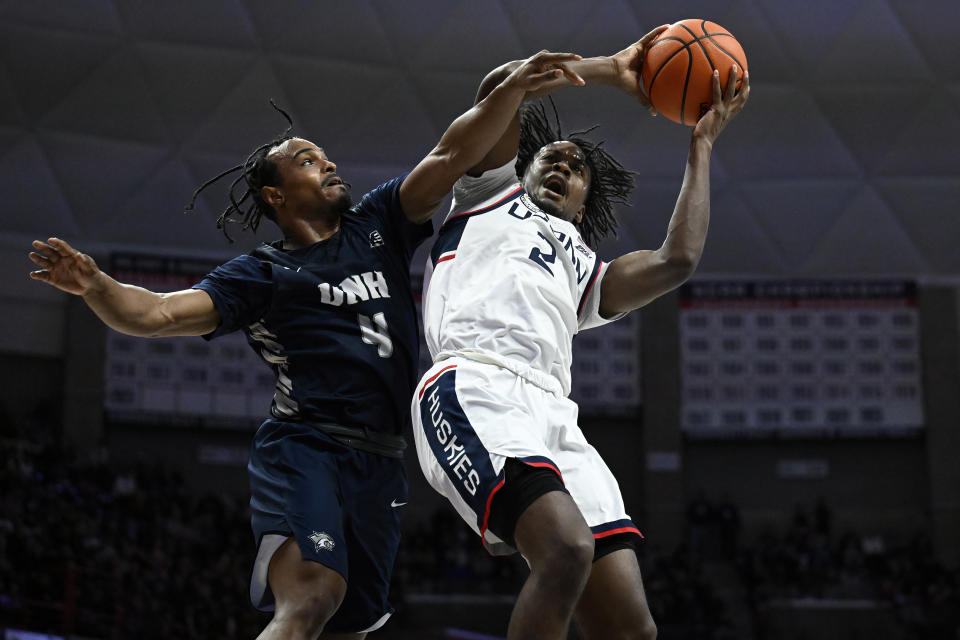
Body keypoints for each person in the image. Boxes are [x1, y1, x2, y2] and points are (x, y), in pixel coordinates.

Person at [27, 53, 587, 640]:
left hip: (381, 463)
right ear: (275, 195)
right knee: (313, 596)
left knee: (350, 627)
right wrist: (95, 285)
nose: (328, 163)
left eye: (324, 155)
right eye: (306, 159)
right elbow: (157, 314)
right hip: (307, 447)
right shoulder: (263, 274)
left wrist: (511, 94)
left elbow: (452, 155)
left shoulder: (379, 224)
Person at [410, 27, 751, 640]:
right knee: (565, 551)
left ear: (586, 198)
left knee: (631, 628)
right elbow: (501, 87)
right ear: (526, 166)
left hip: (554, 414)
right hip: (475, 385)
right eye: (553, 156)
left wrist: (700, 147)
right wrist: (608, 69)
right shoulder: (487, 191)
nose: (565, 162)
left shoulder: (585, 269)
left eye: (577, 165)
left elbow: (677, 261)